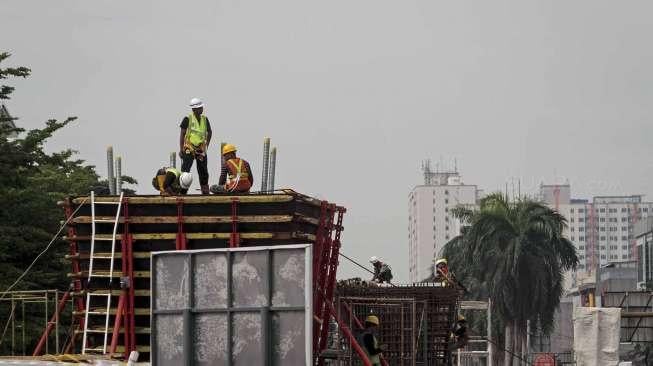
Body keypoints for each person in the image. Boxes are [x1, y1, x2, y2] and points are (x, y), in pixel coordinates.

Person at [179, 97, 212, 194]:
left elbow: (209, 132)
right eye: (199, 107)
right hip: (189, 147)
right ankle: (183, 191)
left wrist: (206, 146)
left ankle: (205, 190)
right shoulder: (187, 119)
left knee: (203, 171)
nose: (201, 109)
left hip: (201, 148)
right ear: (194, 109)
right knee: (185, 170)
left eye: (201, 107)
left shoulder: (205, 119)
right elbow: (182, 134)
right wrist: (181, 149)